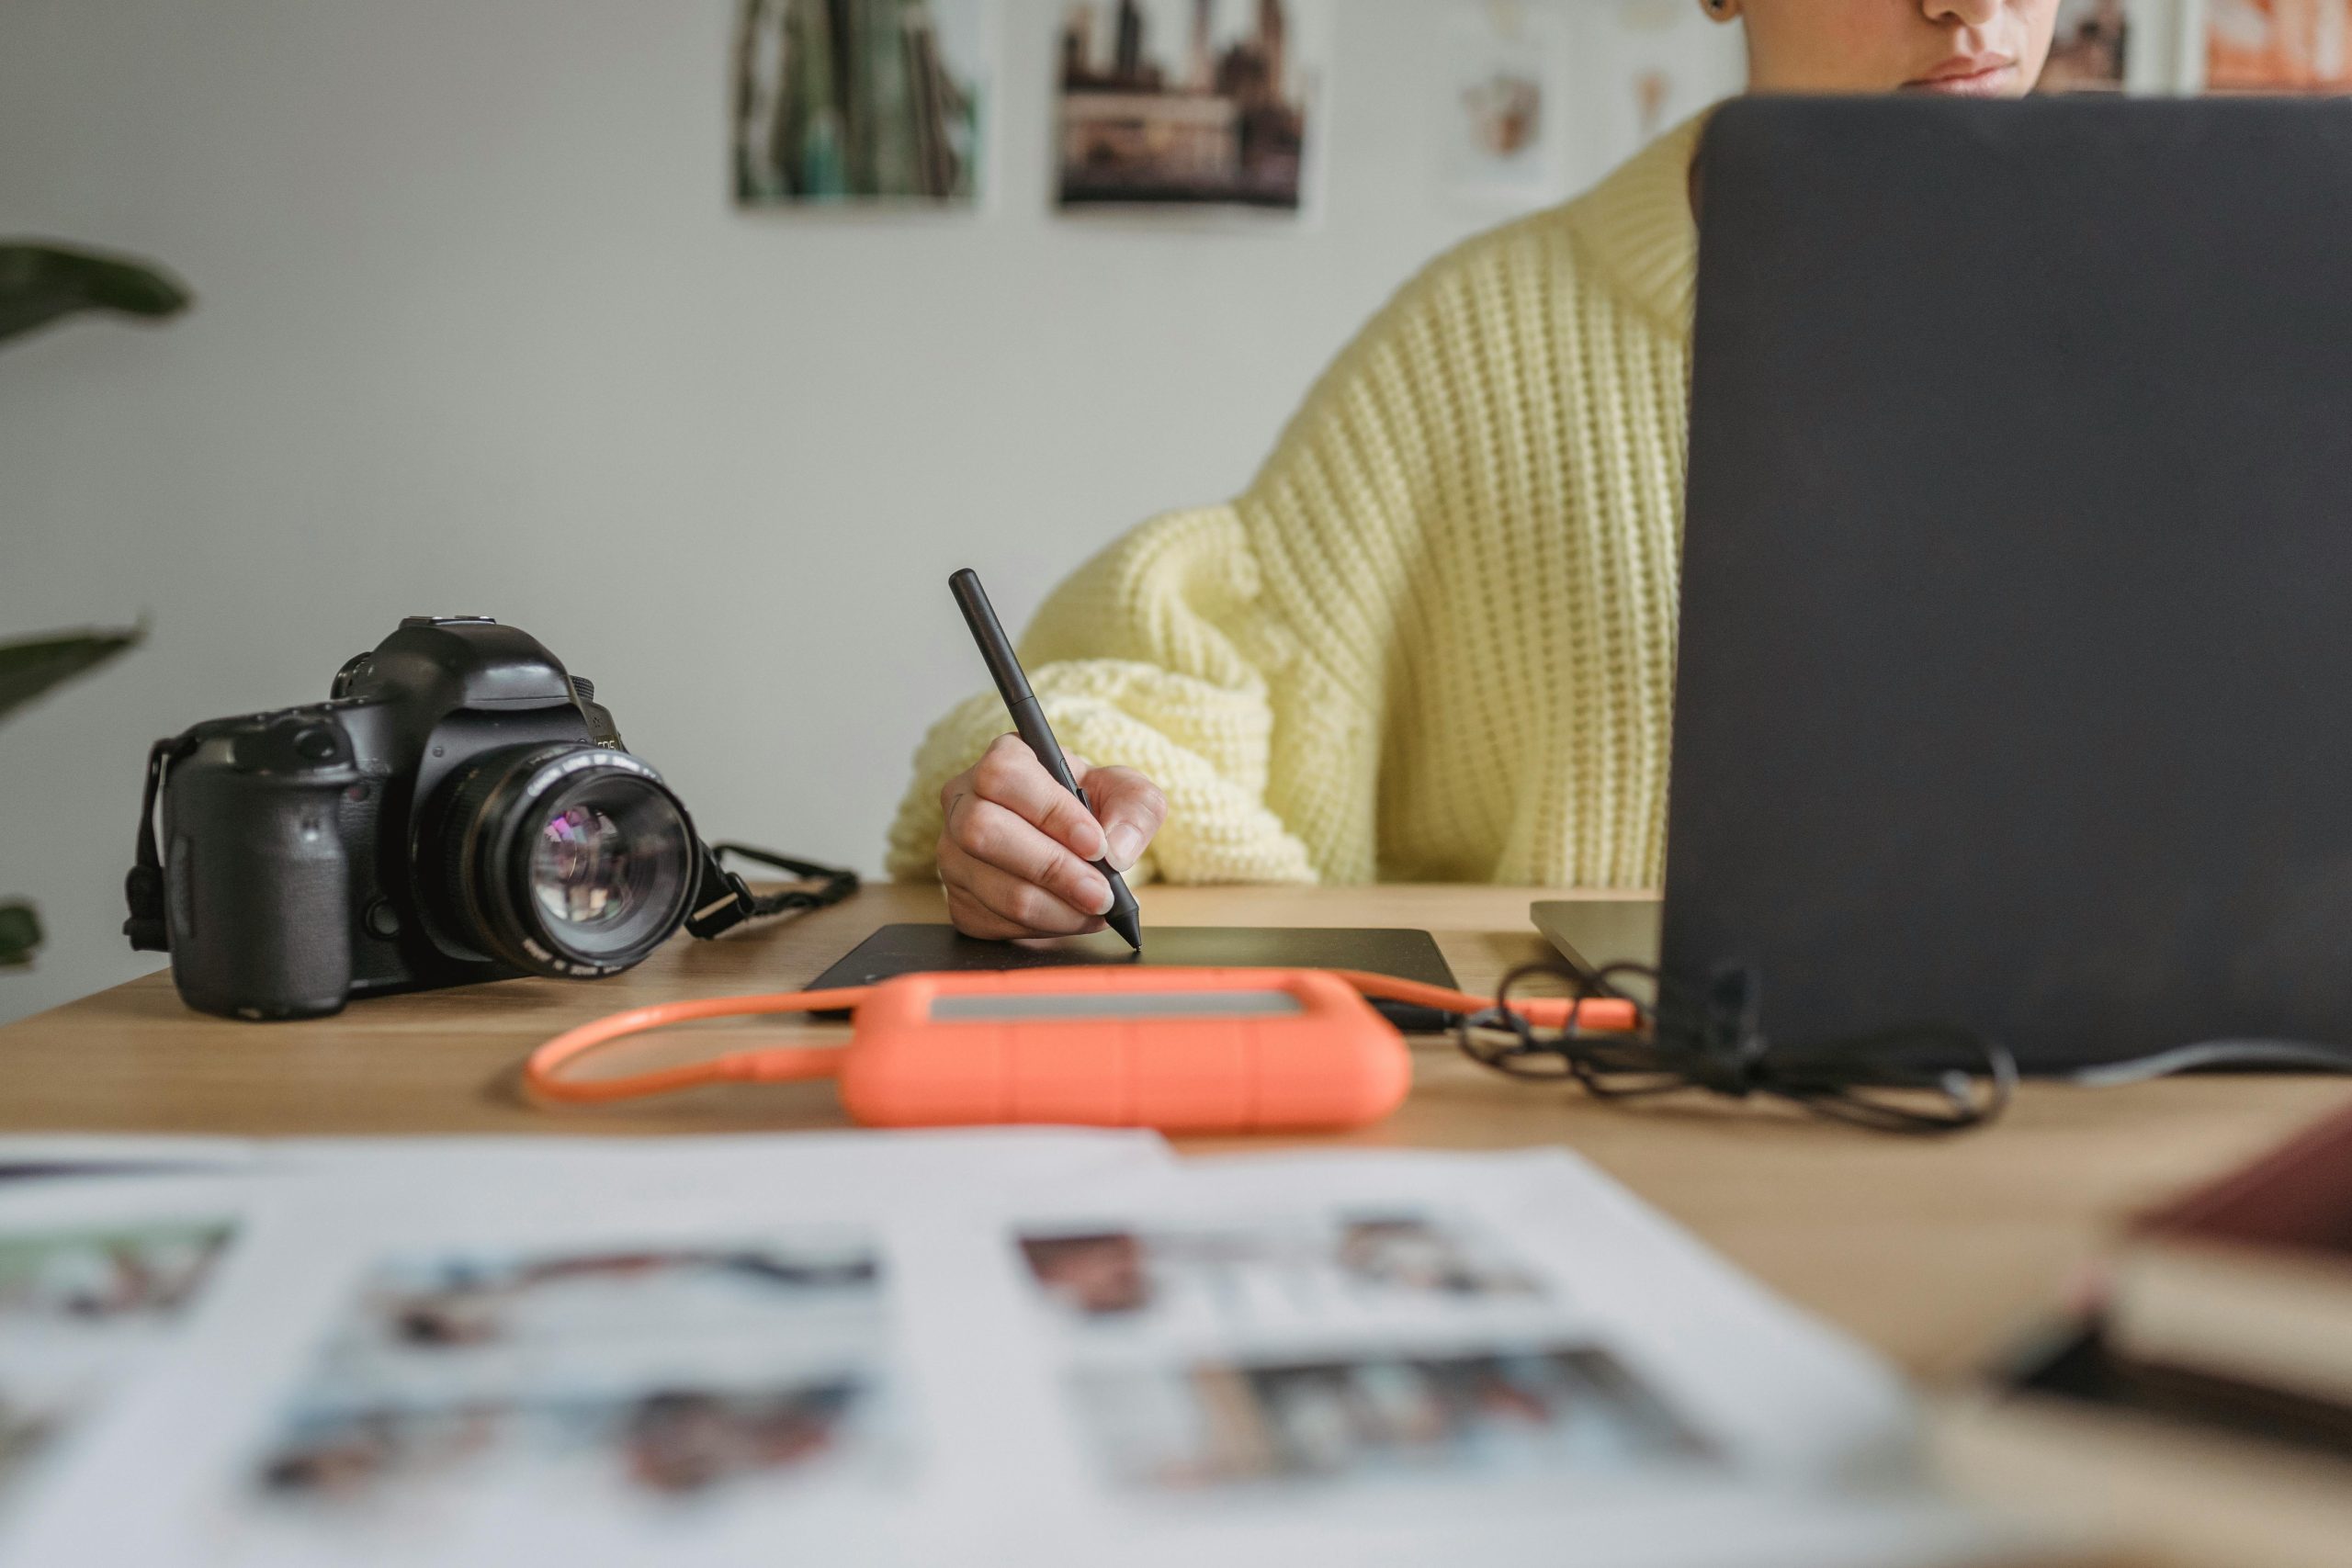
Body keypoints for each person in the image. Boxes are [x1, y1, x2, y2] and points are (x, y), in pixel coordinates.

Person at [890, 1, 2064, 942]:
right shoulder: (1487, 335)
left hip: (2124, 1096)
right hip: (1601, 1100)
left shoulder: (2188, 321)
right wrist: (1053, 805)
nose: (1967, 6)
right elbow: (1221, 677)